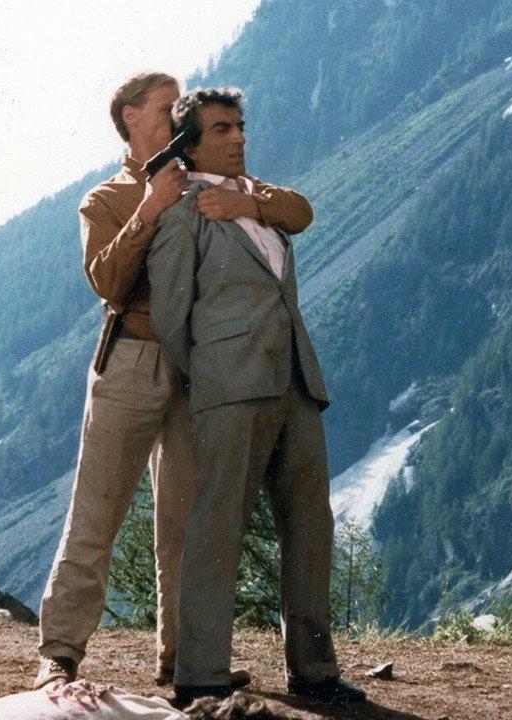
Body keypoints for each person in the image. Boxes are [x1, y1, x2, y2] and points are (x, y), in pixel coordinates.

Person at [37, 71, 314, 690]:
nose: (179, 118)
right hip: (131, 360)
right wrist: (150, 206)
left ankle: (182, 658)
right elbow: (108, 283)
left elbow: (293, 209)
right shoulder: (104, 199)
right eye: (167, 109)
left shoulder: (208, 180)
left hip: (198, 366)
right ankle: (60, 653)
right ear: (131, 118)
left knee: (187, 518)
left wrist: (246, 202)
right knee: (96, 512)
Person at [146, 86, 363, 708]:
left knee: (310, 525)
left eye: (240, 125)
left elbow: (303, 211)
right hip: (230, 386)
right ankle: (201, 675)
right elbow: (170, 318)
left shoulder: (257, 197)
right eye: (222, 128)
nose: (239, 136)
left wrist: (249, 204)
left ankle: (314, 670)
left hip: (295, 379)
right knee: (217, 525)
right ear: (190, 144)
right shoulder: (182, 214)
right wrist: (214, 373)